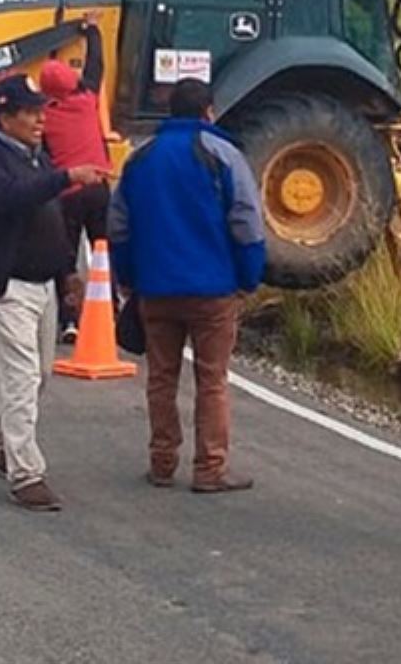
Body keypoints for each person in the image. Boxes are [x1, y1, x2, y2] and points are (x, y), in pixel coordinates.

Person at [108, 77, 265, 494]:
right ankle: (210, 468)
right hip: (212, 288)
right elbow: (247, 222)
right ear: (208, 110)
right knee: (212, 379)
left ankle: (162, 462)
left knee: (161, 376)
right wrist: (249, 277)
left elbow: (119, 225)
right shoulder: (224, 155)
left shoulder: (141, 159)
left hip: (156, 287)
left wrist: (127, 277)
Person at [0, 75, 107, 512]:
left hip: (42, 282)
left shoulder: (36, 158)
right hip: (4, 285)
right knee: (23, 376)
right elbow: (8, 199)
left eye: (42, 110)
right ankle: (26, 474)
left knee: (41, 374)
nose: (41, 119)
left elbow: (50, 219)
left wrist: (67, 273)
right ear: (5, 116)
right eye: (30, 112)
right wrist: (65, 177)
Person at [40, 11, 113, 343]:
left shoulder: (44, 116)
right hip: (97, 186)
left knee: (65, 257)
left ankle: (69, 319)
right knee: (103, 250)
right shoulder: (86, 99)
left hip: (66, 193)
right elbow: (97, 64)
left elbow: (42, 156)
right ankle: (109, 310)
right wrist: (92, 31)